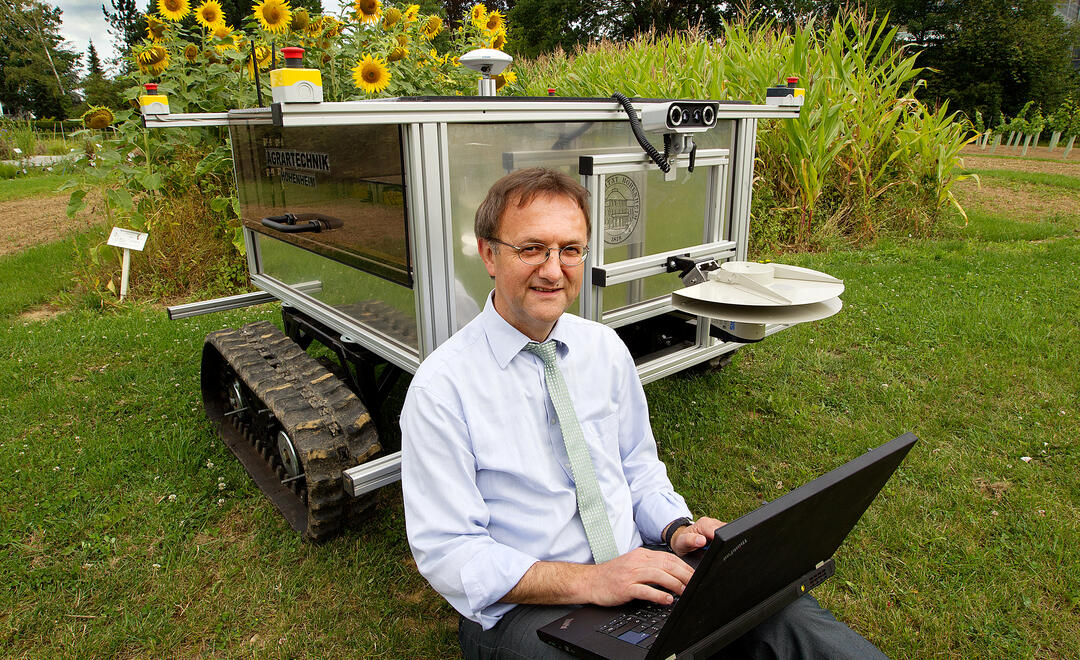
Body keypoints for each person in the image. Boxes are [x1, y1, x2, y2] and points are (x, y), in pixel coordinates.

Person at [400, 168, 885, 659]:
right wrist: (593, 581)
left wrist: (677, 530)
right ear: (488, 253)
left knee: (788, 619)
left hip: (637, 565)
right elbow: (450, 552)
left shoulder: (603, 348)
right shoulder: (443, 387)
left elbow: (636, 465)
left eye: (570, 249)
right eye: (531, 249)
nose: (553, 269)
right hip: (526, 607)